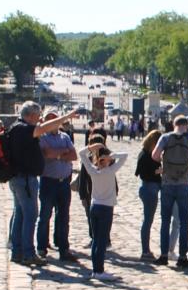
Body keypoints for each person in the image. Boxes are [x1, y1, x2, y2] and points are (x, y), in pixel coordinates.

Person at [3, 101, 83, 266]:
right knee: (30, 216)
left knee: (20, 215)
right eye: (38, 117)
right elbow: (45, 128)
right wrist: (66, 116)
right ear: (31, 115)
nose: (39, 120)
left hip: (18, 178)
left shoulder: (15, 127)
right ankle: (28, 253)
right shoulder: (24, 129)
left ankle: (17, 252)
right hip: (25, 179)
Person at [152, 116, 188, 270]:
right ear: (187, 125)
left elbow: (155, 155)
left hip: (167, 182)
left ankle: (164, 255)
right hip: (185, 183)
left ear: (174, 125)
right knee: (184, 222)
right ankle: (182, 257)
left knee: (165, 221)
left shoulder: (166, 137)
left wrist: (165, 166)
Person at [36, 111, 82, 264]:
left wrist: (58, 155)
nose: (53, 122)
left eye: (55, 120)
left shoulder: (65, 136)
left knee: (63, 216)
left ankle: (63, 247)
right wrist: (63, 153)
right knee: (45, 215)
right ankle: (42, 246)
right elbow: (47, 154)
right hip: (49, 181)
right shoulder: (42, 137)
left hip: (64, 182)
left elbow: (74, 156)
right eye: (50, 120)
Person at [81, 141, 126, 276]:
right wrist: (112, 156)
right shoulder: (111, 170)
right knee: (101, 241)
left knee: (96, 239)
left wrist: (90, 148)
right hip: (106, 209)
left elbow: (81, 155)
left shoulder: (93, 171)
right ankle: (99, 270)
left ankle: (95, 269)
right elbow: (125, 156)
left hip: (94, 207)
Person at [135, 123, 165, 262]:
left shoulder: (145, 152)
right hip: (149, 188)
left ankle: (146, 249)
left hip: (149, 187)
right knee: (147, 220)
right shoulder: (146, 155)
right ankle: (145, 250)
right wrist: (157, 171)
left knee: (148, 220)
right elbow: (142, 172)